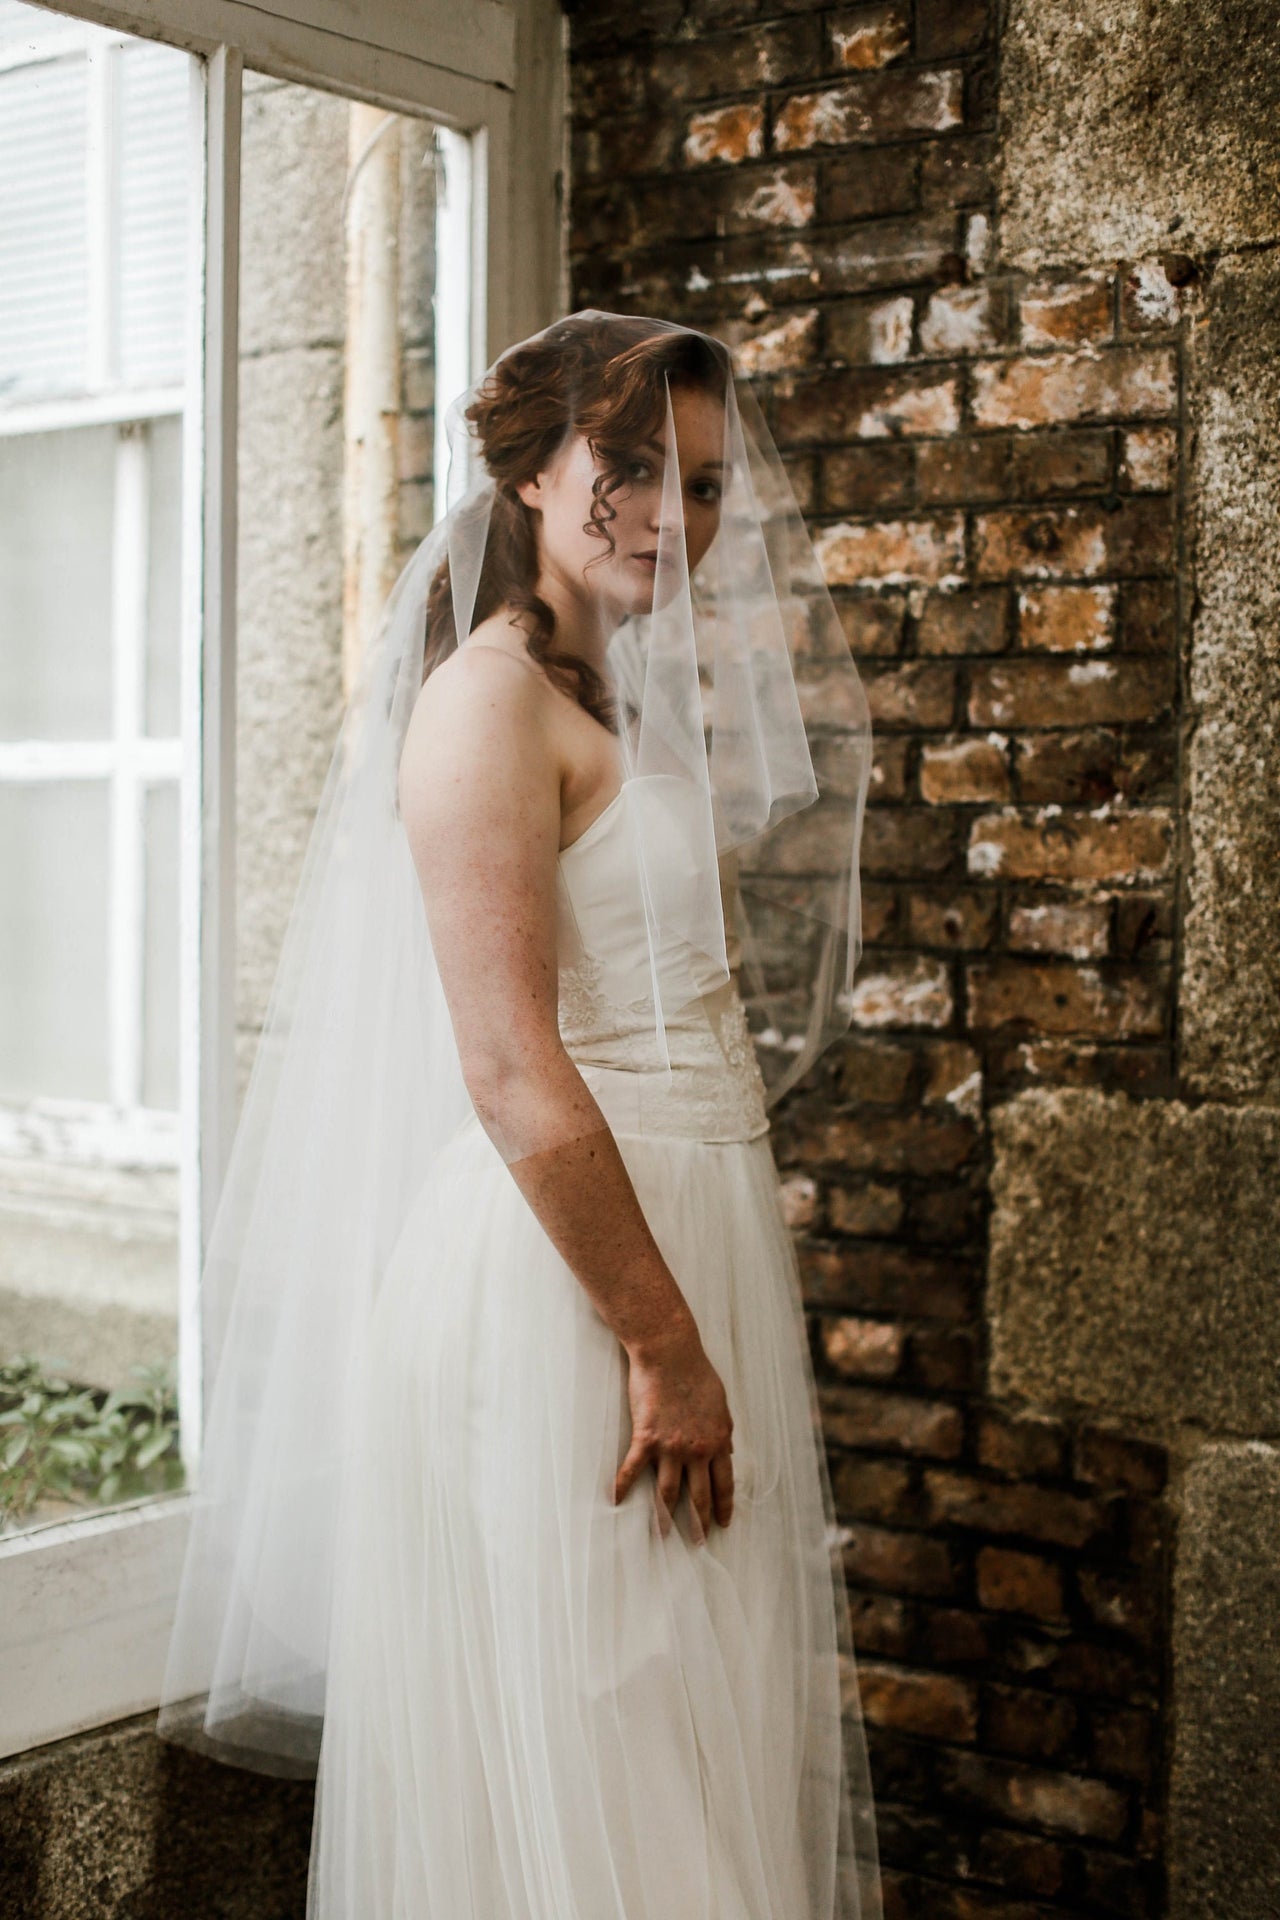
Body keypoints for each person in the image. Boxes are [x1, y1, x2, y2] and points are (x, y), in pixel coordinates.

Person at [156, 310, 883, 1919]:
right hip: (574, 1294)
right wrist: (666, 1343)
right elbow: (505, 1064)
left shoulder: (611, 693)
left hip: (670, 1247)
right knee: (603, 1741)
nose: (667, 517)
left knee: (677, 1730)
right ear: (535, 474)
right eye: (626, 469)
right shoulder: (487, 704)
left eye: (695, 485)